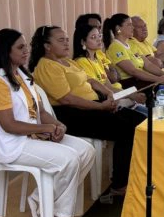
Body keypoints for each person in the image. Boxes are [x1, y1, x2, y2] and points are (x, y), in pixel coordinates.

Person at [0, 29, 95, 217]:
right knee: (70, 158)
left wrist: (57, 125)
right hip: (14, 143)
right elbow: (8, 125)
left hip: (35, 135)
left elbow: (40, 112)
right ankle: (51, 210)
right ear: (5, 51)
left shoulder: (21, 75)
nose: (26, 51)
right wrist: (45, 127)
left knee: (87, 151)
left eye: (26, 46)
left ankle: (40, 199)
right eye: (20, 47)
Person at [29, 25, 146, 195]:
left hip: (93, 107)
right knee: (128, 130)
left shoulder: (67, 61)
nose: (66, 43)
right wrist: (101, 107)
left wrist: (108, 95)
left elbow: (90, 80)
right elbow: (67, 99)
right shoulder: (46, 66)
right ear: (47, 46)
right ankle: (120, 184)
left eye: (67, 39)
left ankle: (135, 173)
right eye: (61, 40)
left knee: (140, 121)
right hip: (72, 115)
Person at [72, 24, 148, 116]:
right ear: (83, 42)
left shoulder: (97, 60)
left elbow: (109, 86)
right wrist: (130, 95)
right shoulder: (82, 62)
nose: (98, 39)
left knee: (150, 115)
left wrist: (131, 95)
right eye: (93, 37)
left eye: (99, 36)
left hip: (114, 98)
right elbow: (98, 90)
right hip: (103, 104)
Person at [103, 14, 164, 91]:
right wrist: (157, 79)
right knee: (162, 88)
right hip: (128, 83)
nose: (132, 28)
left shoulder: (132, 44)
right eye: (129, 25)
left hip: (139, 80)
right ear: (118, 28)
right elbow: (133, 71)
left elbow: (148, 65)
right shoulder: (115, 47)